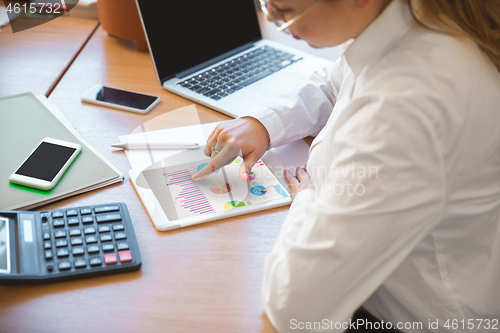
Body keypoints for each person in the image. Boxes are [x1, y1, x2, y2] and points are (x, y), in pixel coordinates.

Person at [192, 0, 500, 331]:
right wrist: (264, 124)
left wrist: (307, 202)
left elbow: (295, 306)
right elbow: (336, 82)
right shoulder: (404, 23)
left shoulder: (408, 106)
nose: (270, 17)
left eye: (284, 9)